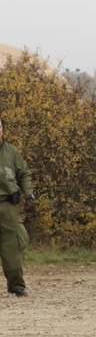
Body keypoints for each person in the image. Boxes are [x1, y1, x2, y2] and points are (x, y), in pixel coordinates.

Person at [0, 116, 34, 297]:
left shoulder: (12, 152)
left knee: (13, 247)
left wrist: (29, 195)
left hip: (8, 207)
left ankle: (17, 286)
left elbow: (24, 175)